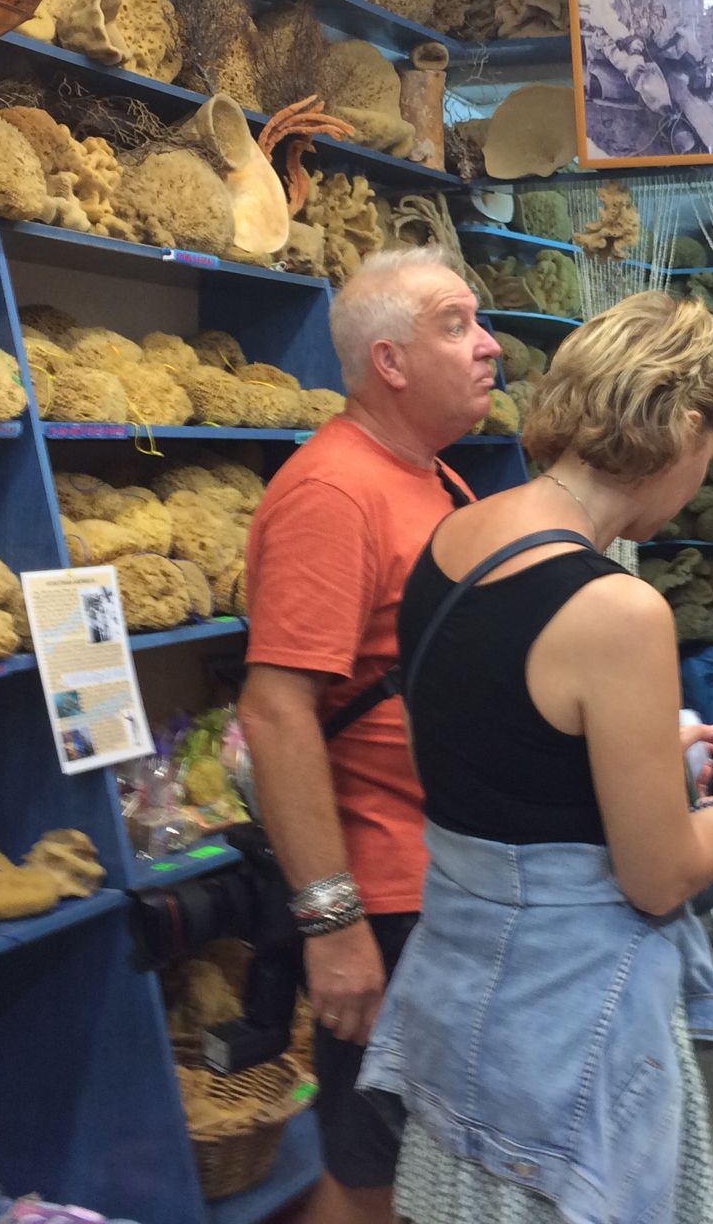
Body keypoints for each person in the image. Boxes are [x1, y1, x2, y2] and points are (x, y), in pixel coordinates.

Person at [359, 293, 713, 1224]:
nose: (702, 479)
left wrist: (646, 751)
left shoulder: (455, 537)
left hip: (456, 993)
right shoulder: (617, 610)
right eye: (712, 452)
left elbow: (494, 742)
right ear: (685, 428)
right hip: (566, 1027)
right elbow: (659, 878)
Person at [239, 246, 501, 1224]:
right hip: (386, 903)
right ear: (388, 361)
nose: (488, 345)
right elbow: (275, 712)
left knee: (433, 1170)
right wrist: (334, 925)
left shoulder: (436, 480)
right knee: (371, 1182)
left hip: (449, 885)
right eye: (455, 325)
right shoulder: (333, 493)